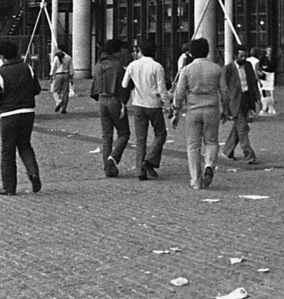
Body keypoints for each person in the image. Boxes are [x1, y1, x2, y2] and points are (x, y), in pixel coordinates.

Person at [173, 38, 230, 189]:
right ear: (208, 51)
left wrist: (176, 110)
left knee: (193, 145)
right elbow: (224, 90)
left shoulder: (187, 70)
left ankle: (196, 180)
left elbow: (179, 92)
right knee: (211, 141)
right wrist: (226, 108)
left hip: (193, 109)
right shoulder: (217, 69)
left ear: (191, 52)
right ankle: (209, 165)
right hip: (212, 109)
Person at [0, 38, 42, 196]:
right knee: (25, 145)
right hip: (28, 112)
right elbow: (37, 89)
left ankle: (9, 186)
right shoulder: (27, 68)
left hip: (9, 114)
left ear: (3, 55)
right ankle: (33, 173)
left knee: (8, 151)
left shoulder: (1, 73)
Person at [123, 36, 170, 179]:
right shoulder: (157, 66)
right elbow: (162, 89)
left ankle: (140, 170)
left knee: (140, 139)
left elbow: (125, 85)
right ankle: (150, 160)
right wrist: (167, 104)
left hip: (138, 103)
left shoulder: (132, 65)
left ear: (141, 51)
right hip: (153, 104)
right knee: (160, 134)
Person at [90, 37, 130, 177]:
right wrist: (123, 102)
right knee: (124, 133)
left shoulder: (98, 64)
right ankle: (113, 158)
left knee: (106, 136)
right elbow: (123, 86)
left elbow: (94, 86)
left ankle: (108, 168)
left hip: (102, 99)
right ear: (115, 51)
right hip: (114, 99)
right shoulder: (117, 65)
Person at [221, 46, 259, 165]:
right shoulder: (228, 69)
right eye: (241, 56)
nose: (244, 58)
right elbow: (224, 88)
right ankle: (249, 154)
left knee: (237, 128)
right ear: (235, 56)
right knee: (243, 128)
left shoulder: (248, 66)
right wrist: (225, 108)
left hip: (246, 98)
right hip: (234, 101)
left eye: (245, 56)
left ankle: (227, 150)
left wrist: (257, 99)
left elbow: (253, 82)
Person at [50, 46, 74, 114]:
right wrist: (71, 78)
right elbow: (71, 68)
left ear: (60, 49)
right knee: (66, 92)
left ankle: (58, 100)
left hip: (58, 74)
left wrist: (51, 75)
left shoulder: (56, 57)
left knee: (56, 90)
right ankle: (64, 108)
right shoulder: (68, 57)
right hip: (66, 74)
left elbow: (53, 67)